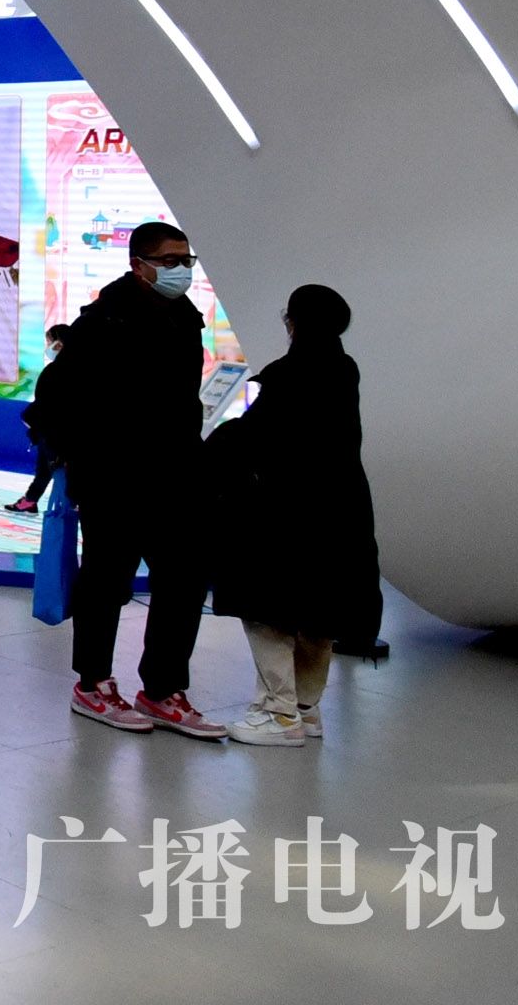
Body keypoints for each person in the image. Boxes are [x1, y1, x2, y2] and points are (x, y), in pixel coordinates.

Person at [37, 222, 224, 737]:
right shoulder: (104, 320)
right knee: (105, 583)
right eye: (169, 261)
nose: (181, 269)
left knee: (183, 581)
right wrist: (81, 458)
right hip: (114, 479)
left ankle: (162, 689)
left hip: (177, 475)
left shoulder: (185, 317)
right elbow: (55, 395)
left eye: (186, 260)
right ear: (139, 264)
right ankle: (92, 684)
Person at [206, 285, 381, 747]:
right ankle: (306, 709)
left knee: (267, 610)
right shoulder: (344, 369)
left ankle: (278, 713)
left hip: (286, 514)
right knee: (319, 612)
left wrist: (209, 451)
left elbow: (254, 437)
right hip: (341, 511)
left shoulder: (290, 375)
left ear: (294, 322)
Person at [9, 322, 72, 513]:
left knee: (54, 470)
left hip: (54, 433)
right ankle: (30, 500)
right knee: (45, 469)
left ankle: (64, 509)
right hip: (51, 432)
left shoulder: (57, 371)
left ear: (59, 344)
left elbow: (46, 403)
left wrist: (34, 420)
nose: (48, 347)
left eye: (49, 342)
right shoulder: (65, 369)